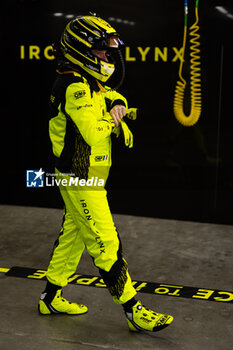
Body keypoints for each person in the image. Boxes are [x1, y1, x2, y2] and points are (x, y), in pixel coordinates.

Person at [38, 14, 174, 333]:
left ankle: (50, 297)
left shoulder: (87, 80)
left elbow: (111, 95)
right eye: (100, 50)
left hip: (88, 177)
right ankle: (133, 309)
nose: (106, 56)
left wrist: (118, 106)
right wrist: (117, 121)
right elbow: (91, 132)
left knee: (72, 240)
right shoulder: (74, 85)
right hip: (80, 179)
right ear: (82, 49)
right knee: (105, 242)